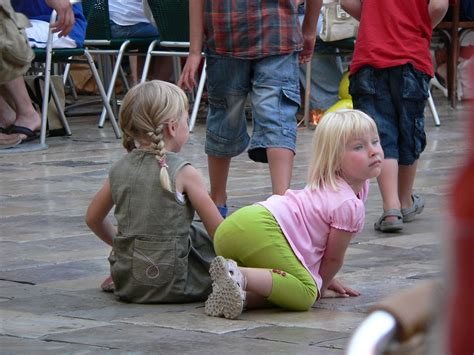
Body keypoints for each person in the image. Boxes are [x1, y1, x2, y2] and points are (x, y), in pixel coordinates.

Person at [203, 109, 383, 319]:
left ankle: (239, 295)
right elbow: (333, 258)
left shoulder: (345, 185)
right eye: (359, 147)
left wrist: (314, 275)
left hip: (233, 230)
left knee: (286, 285)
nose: (373, 151)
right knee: (305, 294)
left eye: (375, 141)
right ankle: (238, 274)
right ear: (333, 159)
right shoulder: (348, 203)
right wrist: (318, 286)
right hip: (261, 230)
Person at [178, 0, 321, 217]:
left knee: (224, 114)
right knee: (278, 114)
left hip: (225, 34)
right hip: (277, 31)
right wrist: (309, 30)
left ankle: (217, 200)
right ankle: (281, 203)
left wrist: (195, 50)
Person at [85, 80, 223, 303]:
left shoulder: (119, 169)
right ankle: (238, 280)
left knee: (189, 231)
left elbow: (93, 218)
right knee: (205, 236)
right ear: (172, 127)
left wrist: (124, 249)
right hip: (177, 283)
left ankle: (127, 270)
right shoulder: (184, 172)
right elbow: (220, 232)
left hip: (128, 282)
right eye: (187, 121)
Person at [341, 0, 449, 232]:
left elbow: (347, 3)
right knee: (409, 131)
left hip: (370, 57)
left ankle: (391, 208)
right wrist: (418, 24)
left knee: (381, 134)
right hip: (411, 55)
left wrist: (376, 23)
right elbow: (439, 6)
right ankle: (406, 201)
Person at [0, 0, 76, 148]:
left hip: (51, 22)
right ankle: (5, 113)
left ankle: (27, 113)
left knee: (3, 36)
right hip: (16, 19)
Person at [108, 0, 173, 85]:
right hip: (127, 23)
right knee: (172, 35)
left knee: (152, 41)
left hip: (105, 26)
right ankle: (157, 93)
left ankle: (142, 90)